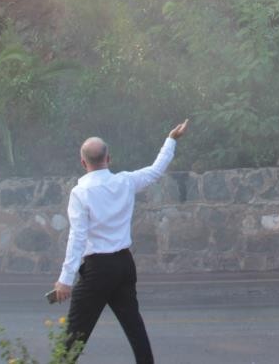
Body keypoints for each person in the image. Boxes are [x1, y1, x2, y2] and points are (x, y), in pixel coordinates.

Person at [53, 119, 189, 363]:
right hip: (124, 265)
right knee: (134, 328)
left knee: (74, 336)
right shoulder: (125, 181)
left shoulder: (80, 193)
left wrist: (65, 279)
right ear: (109, 158)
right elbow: (156, 170)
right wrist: (171, 139)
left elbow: (77, 237)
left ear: (83, 163)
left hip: (97, 269)